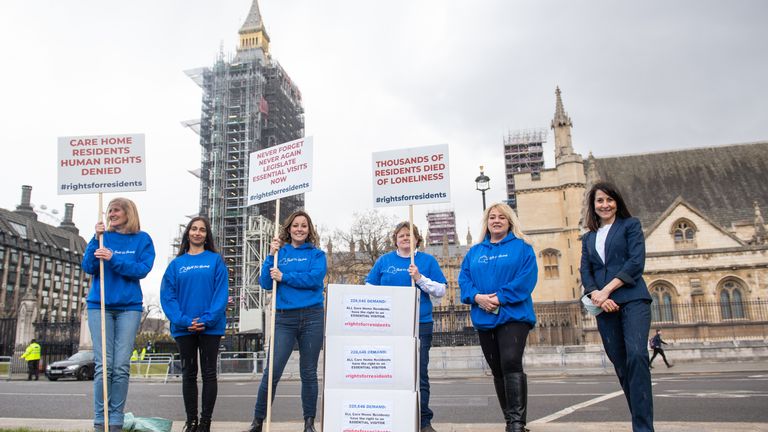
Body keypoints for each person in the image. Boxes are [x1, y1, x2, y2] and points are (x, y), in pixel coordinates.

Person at [580, 181, 654, 432]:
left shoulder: (630, 226)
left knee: (637, 356)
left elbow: (636, 263)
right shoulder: (588, 238)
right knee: (621, 365)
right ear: (593, 205)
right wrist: (596, 296)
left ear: (617, 202)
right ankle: (640, 421)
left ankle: (643, 429)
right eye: (599, 200)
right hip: (603, 306)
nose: (605, 205)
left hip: (632, 299)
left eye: (609, 200)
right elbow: (586, 272)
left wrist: (607, 290)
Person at [458, 203, 537, 432]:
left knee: (511, 362)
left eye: (502, 217)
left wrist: (500, 297)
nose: (497, 220)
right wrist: (476, 297)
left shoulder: (522, 248)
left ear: (510, 221)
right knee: (497, 369)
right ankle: (509, 418)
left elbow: (526, 279)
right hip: (484, 316)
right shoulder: (475, 252)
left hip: (514, 315)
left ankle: (516, 423)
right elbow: (464, 280)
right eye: (492, 217)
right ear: (487, 222)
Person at [246, 210, 327, 432]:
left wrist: (285, 277)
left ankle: (309, 423)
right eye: (295, 225)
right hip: (284, 318)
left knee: (308, 372)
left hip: (312, 316)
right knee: (272, 371)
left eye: (304, 225)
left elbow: (314, 279)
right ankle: (257, 422)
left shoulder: (317, 255)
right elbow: (265, 282)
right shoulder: (280, 252)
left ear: (309, 230)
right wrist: (270, 256)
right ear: (289, 228)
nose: (299, 229)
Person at [81, 197, 155, 432]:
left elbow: (141, 270)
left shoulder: (142, 239)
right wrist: (95, 240)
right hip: (99, 305)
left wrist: (114, 258)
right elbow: (88, 267)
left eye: (116, 210)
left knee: (121, 366)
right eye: (109, 210)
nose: (111, 214)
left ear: (128, 213)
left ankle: (116, 419)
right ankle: (99, 419)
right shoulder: (102, 237)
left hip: (129, 307)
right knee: (104, 365)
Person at [366, 222, 447, 432]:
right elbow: (369, 289)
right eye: (401, 235)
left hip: (420, 323)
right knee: (390, 373)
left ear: (417, 240)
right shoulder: (384, 261)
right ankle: (393, 417)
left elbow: (441, 290)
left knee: (420, 374)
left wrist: (419, 278)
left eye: (409, 235)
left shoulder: (427, 261)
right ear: (395, 239)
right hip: (390, 326)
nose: (405, 238)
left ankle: (424, 420)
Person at [161, 216, 229, 432]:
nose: (197, 233)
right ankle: (191, 422)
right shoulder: (176, 264)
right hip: (184, 328)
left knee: (209, 373)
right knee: (189, 373)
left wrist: (207, 319)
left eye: (202, 230)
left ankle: (205, 423)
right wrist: (184, 320)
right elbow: (167, 297)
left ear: (207, 235)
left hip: (211, 327)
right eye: (193, 229)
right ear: (188, 233)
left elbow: (221, 294)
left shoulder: (216, 261)